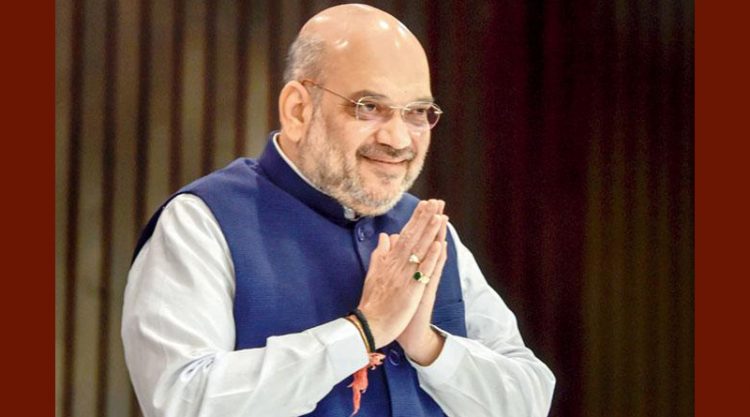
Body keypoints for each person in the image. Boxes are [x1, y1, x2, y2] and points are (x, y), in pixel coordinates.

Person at [122, 4, 555, 417]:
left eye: (417, 113)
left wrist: (428, 346)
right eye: (369, 107)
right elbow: (182, 401)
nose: (398, 140)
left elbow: (529, 399)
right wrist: (361, 332)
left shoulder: (427, 230)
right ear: (298, 110)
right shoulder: (202, 222)